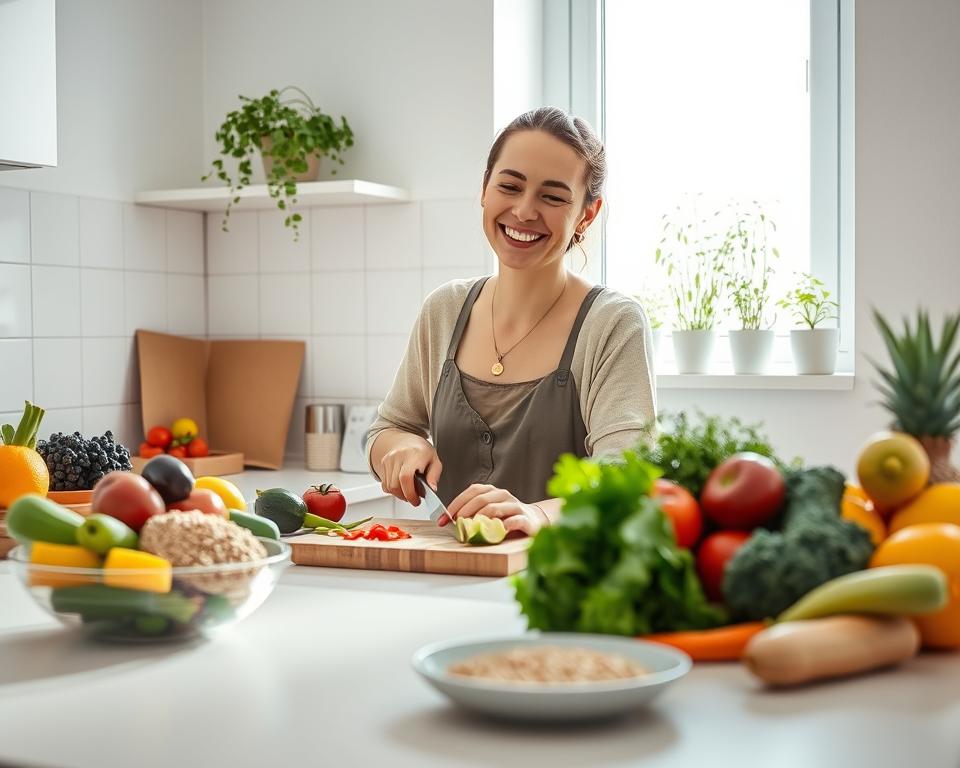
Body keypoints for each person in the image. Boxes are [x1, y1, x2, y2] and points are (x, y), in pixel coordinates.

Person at [366, 106, 656, 537]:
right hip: (446, 575)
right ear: (485, 189)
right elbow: (387, 429)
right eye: (509, 186)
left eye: (553, 197)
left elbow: (629, 473)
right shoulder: (444, 310)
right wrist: (401, 446)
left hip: (561, 581)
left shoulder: (612, 323)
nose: (523, 211)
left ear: (587, 214)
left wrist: (539, 514)